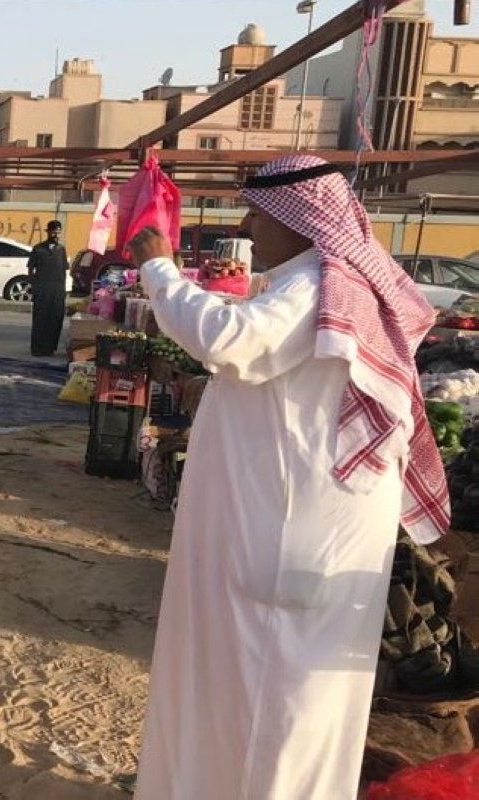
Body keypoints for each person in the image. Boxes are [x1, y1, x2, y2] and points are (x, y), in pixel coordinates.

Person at [127, 154, 449, 800]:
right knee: (269, 705)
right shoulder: (320, 283)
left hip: (286, 545)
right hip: (290, 532)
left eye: (257, 212)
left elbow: (224, 335)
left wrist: (159, 266)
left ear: (299, 220)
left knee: (268, 710)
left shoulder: (320, 286)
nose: (248, 224)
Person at [27, 219, 69, 356]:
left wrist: (63, 290)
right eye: (53, 232)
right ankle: (38, 348)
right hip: (42, 289)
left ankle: (50, 348)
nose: (56, 235)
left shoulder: (61, 250)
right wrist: (34, 286)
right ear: (48, 232)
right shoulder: (38, 249)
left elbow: (64, 271)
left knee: (55, 319)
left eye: (58, 232)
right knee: (40, 319)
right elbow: (30, 269)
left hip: (57, 291)